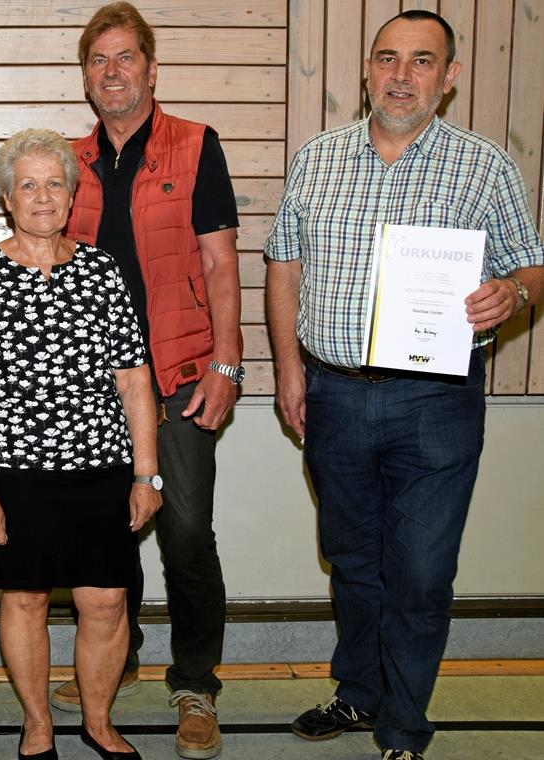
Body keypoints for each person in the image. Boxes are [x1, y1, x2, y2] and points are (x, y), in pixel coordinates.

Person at [265, 11, 544, 760]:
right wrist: (290, 372)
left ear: (449, 78)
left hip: (436, 402)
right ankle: (358, 696)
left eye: (422, 62)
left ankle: (404, 726)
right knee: (353, 560)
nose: (400, 75)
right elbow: (284, 265)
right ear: (366, 68)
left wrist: (513, 296)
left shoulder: (485, 167)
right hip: (334, 394)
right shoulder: (317, 159)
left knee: (420, 571)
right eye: (387, 58)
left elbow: (532, 264)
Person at [58, 4, 244, 758]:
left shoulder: (196, 146)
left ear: (151, 68)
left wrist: (228, 364)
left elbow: (221, 263)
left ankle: (195, 682)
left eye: (125, 57)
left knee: (187, 534)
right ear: (86, 77)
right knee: (107, 538)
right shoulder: (69, 160)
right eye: (98, 60)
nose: (112, 71)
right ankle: (119, 654)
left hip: (179, 379)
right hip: (92, 387)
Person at [0, 128, 162, 760]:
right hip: (14, 471)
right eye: (28, 185)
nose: (42, 197)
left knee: (106, 600)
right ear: (7, 198)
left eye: (54, 183)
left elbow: (135, 380)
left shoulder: (103, 271)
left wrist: (147, 475)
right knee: (27, 597)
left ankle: (97, 720)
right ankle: (37, 723)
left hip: (102, 467)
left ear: (72, 195)